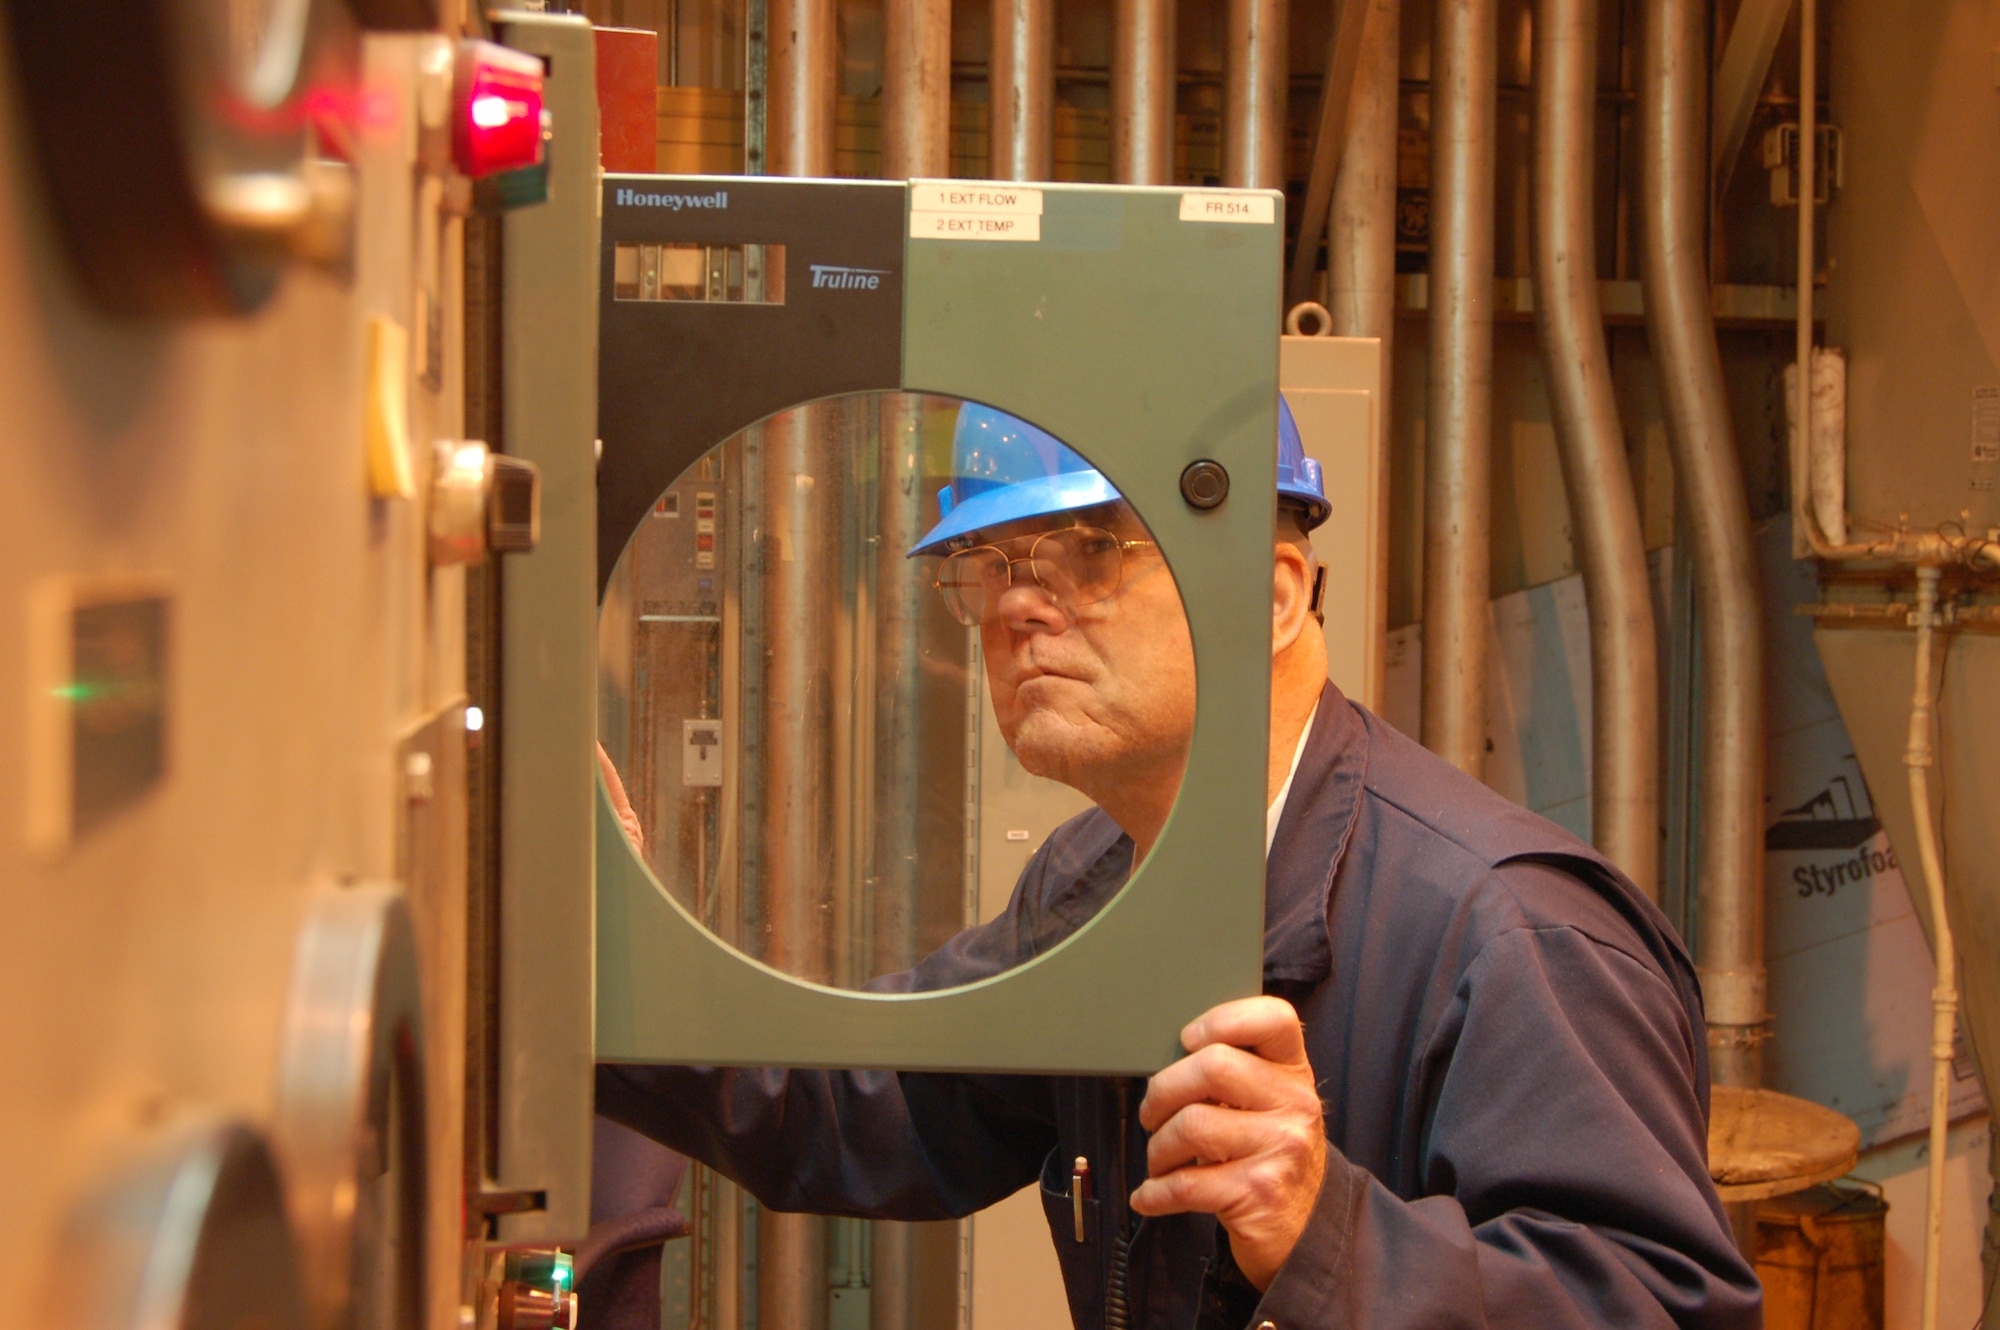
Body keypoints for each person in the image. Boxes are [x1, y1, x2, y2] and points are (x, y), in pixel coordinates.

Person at [597, 400, 1762, 1329]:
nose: (1014, 607)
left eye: (1082, 554)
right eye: (990, 564)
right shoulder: (1091, 880)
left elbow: (1657, 1304)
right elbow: (870, 1105)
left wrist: (1333, 1234)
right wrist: (608, 949)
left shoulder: (1509, 928)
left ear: (1268, 594)